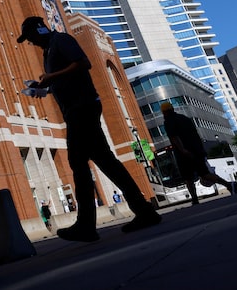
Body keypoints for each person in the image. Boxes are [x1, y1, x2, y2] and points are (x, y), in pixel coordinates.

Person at [17, 16, 161, 241]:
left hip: (82, 108)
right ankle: (143, 210)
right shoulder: (49, 51)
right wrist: (44, 88)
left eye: (32, 37)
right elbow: (66, 79)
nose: (32, 42)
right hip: (78, 108)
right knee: (105, 162)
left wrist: (51, 77)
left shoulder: (61, 40)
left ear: (40, 30)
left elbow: (83, 63)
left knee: (78, 162)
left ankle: (87, 224)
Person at [160, 102, 237, 204]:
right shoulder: (185, 118)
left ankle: (195, 199)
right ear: (172, 109)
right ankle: (229, 185)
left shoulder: (168, 121)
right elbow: (196, 135)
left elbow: (174, 137)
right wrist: (201, 151)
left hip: (184, 154)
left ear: (164, 112)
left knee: (188, 178)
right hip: (197, 151)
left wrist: (183, 150)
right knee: (204, 173)